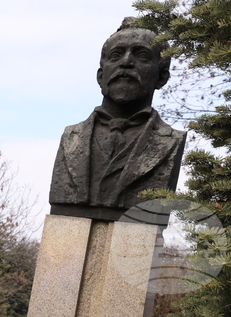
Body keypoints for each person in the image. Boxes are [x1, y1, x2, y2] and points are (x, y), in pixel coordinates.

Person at [49, 20, 187, 221]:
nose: (126, 62)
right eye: (116, 55)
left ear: (161, 77)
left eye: (142, 56)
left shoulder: (170, 142)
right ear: (100, 76)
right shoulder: (71, 137)